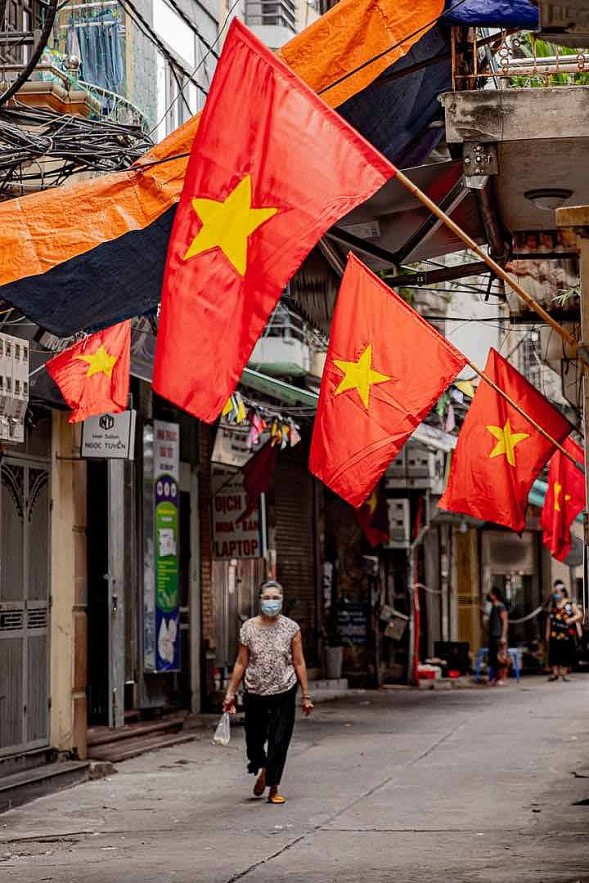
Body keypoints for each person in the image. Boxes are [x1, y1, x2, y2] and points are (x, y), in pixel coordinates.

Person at [223, 579, 314, 804]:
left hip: (284, 689)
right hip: (255, 691)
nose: (271, 602)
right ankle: (261, 766)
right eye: (267, 598)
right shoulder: (249, 628)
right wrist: (230, 692)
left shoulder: (291, 628)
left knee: (279, 740)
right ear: (260, 600)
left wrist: (306, 695)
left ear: (281, 601)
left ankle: (274, 787)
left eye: (275, 598)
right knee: (253, 740)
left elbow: (299, 662)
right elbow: (241, 663)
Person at [546, 580, 582, 682]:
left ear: (563, 593)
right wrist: (547, 634)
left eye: (558, 592)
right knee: (553, 653)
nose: (556, 595)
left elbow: (579, 614)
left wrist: (571, 620)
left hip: (566, 633)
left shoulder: (570, 604)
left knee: (565, 652)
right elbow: (549, 619)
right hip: (554, 633)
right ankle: (555, 673)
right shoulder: (552, 605)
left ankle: (564, 674)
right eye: (555, 593)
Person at [487, 587, 509, 685]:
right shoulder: (493, 606)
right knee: (493, 658)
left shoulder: (501, 606)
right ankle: (494, 677)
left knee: (501, 658)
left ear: (494, 595)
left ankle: (503, 677)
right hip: (492, 635)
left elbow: (505, 622)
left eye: (490, 593)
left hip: (498, 635)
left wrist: (503, 636)